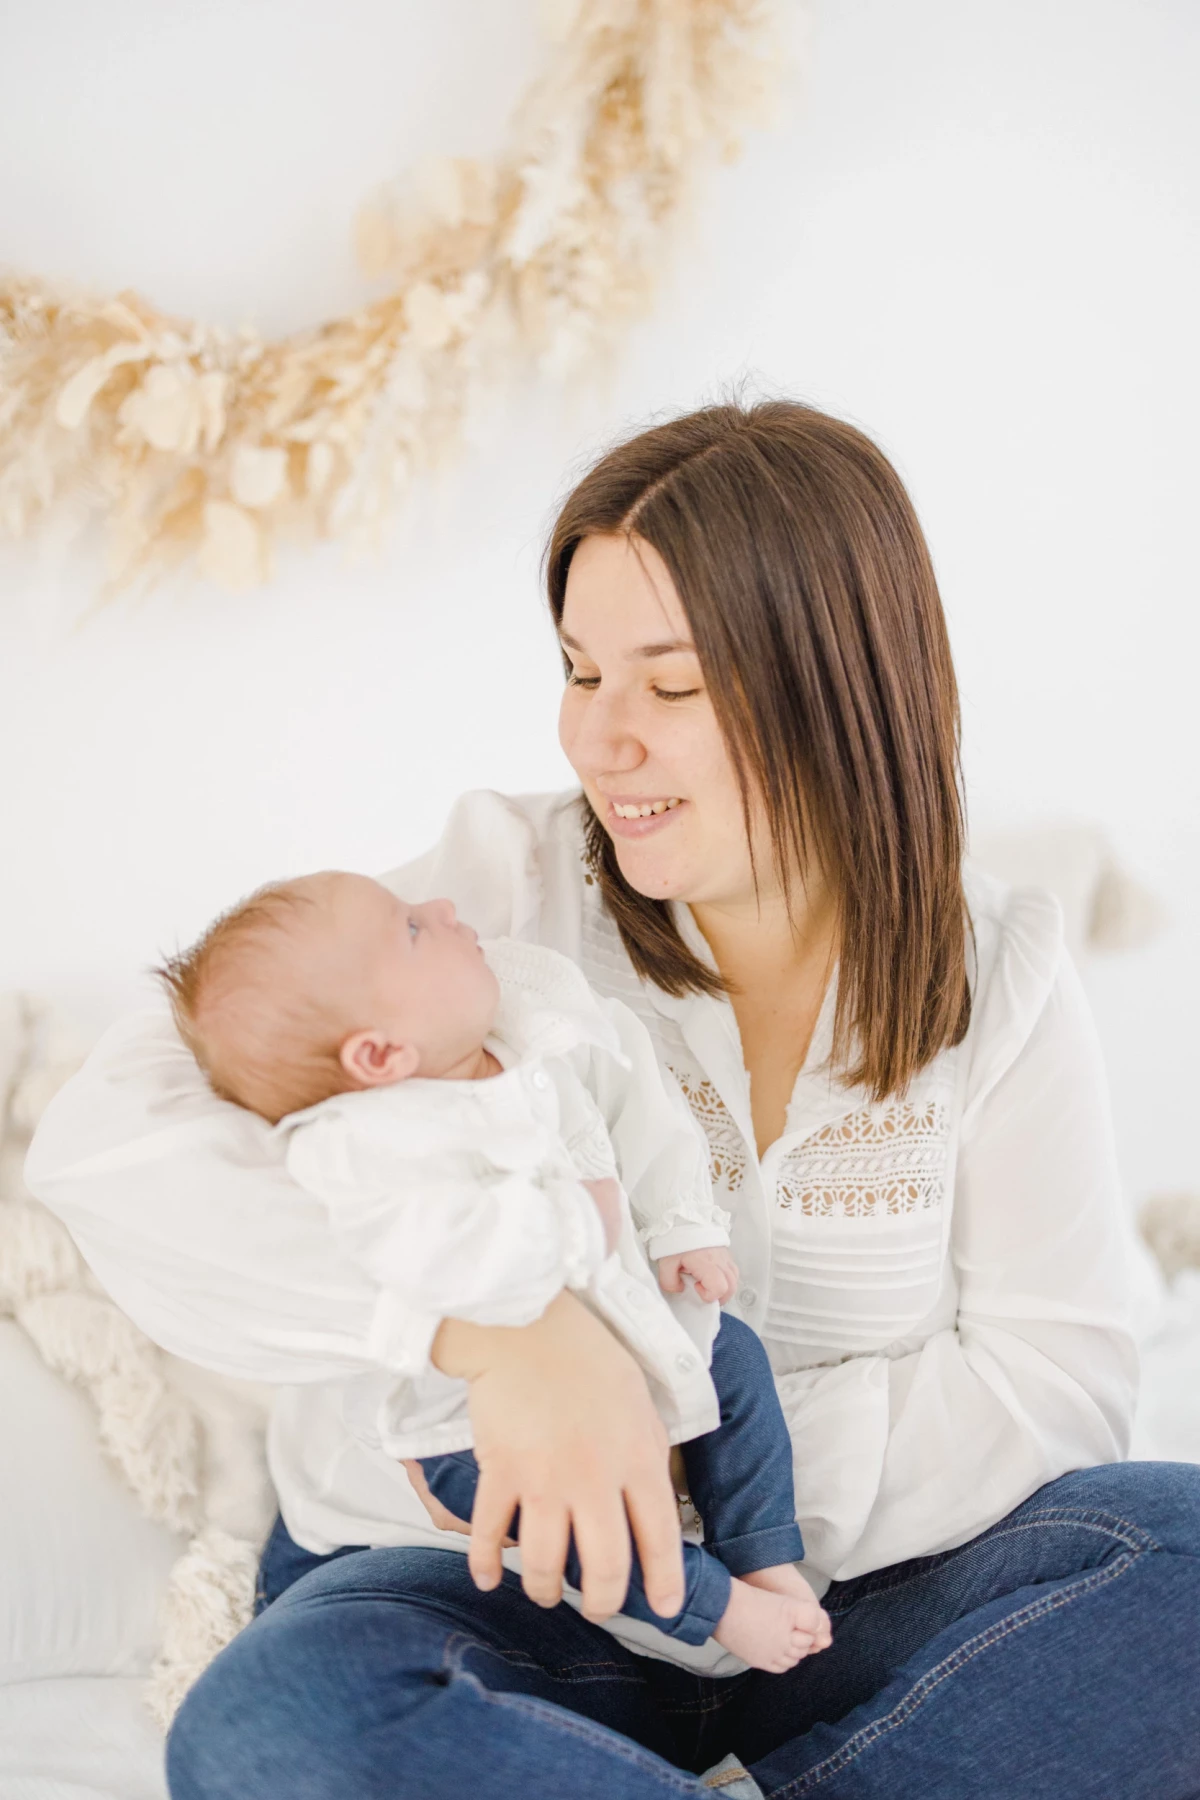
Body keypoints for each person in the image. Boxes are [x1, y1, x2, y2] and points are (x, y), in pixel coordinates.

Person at [27, 400, 1200, 1799]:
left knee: (1174, 1565)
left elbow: (1054, 1396)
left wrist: (652, 1448)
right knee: (272, 1726)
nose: (601, 739)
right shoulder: (494, 896)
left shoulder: (997, 969)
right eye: (581, 673)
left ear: (838, 683)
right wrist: (501, 1350)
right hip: (484, 1596)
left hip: (838, 1613)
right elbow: (109, 1151)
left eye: (671, 685)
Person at [150, 868, 829, 1667]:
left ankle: (762, 1552)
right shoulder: (362, 1143)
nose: (442, 905)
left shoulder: (531, 1040)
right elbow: (437, 1252)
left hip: (631, 1325)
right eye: (410, 928)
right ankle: (713, 1607)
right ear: (378, 1053)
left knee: (736, 1356)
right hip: (459, 1427)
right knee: (563, 1514)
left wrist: (681, 1226)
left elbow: (643, 1115)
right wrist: (575, 1223)